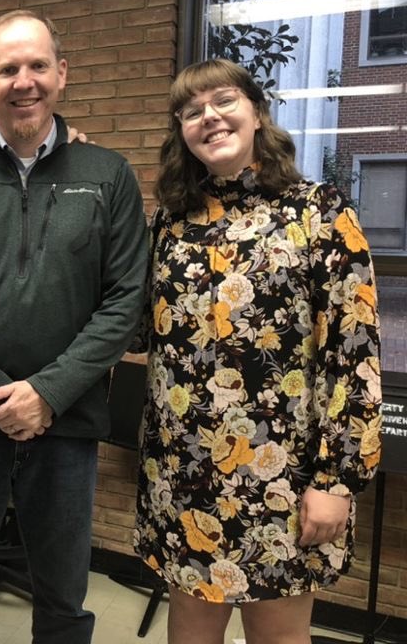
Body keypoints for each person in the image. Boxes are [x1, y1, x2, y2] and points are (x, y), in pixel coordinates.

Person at [0, 10, 149, 644]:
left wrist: (47, 393)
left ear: (61, 74)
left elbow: (125, 300)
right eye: (8, 68)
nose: (24, 80)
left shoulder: (108, 175)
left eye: (38, 65)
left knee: (64, 595)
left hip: (66, 423)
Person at [132, 59, 383, 644]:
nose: (209, 117)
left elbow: (353, 354)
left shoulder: (318, 211)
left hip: (282, 476)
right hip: (182, 473)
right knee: (190, 636)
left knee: (277, 638)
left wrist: (336, 480)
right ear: (181, 131)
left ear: (257, 113)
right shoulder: (171, 223)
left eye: (223, 101)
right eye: (191, 111)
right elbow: (136, 329)